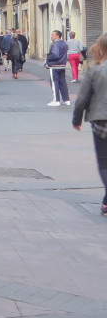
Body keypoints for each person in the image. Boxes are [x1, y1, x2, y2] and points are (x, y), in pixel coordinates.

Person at [72, 32, 107, 215]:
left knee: (104, 163)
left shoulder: (94, 70)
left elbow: (82, 99)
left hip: (101, 121)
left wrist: (76, 119)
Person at [46, 29, 70, 107]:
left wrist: (48, 58)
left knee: (54, 82)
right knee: (63, 82)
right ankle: (66, 99)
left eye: (53, 34)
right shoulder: (64, 44)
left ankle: (56, 100)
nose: (51, 36)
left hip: (54, 65)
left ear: (58, 36)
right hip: (62, 65)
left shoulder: (55, 44)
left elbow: (55, 55)